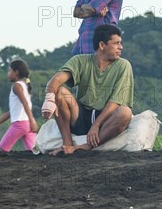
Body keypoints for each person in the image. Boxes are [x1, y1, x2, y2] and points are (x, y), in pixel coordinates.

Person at [41, 24, 133, 156]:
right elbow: (55, 81)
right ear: (102, 45)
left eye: (120, 43)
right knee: (59, 91)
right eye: (116, 43)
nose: (121, 47)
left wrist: (96, 125)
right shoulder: (80, 60)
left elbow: (115, 102)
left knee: (125, 112)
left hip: (105, 120)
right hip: (81, 115)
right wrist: (49, 99)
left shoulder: (123, 65)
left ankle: (86, 146)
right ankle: (67, 145)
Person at [0, 59, 39, 152]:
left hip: (20, 125)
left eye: (9, 70)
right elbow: (12, 111)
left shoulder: (16, 86)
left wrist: (33, 121)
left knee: (2, 150)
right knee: (34, 152)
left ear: (16, 72)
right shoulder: (24, 85)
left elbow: (25, 103)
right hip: (27, 124)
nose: (8, 73)